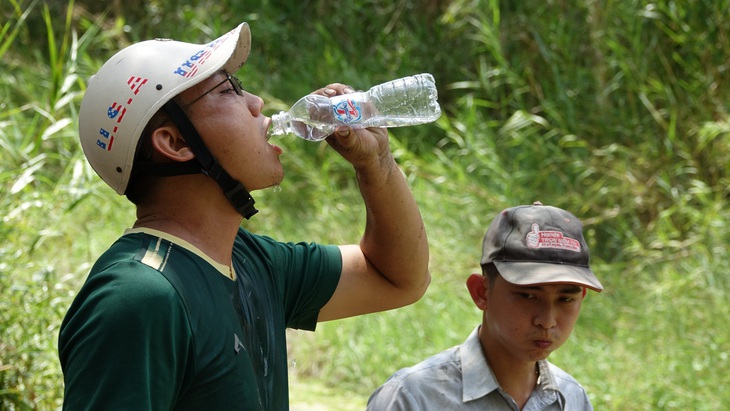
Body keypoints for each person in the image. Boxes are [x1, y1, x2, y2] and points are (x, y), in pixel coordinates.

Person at [58, 21, 430, 411]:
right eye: (229, 90)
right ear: (176, 143)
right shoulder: (140, 298)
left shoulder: (251, 262)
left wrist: (377, 162)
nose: (257, 103)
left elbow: (397, 277)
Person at [367, 202, 603, 410]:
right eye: (528, 296)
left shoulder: (571, 399)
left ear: (581, 297)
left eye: (565, 299)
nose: (547, 320)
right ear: (481, 292)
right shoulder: (413, 398)